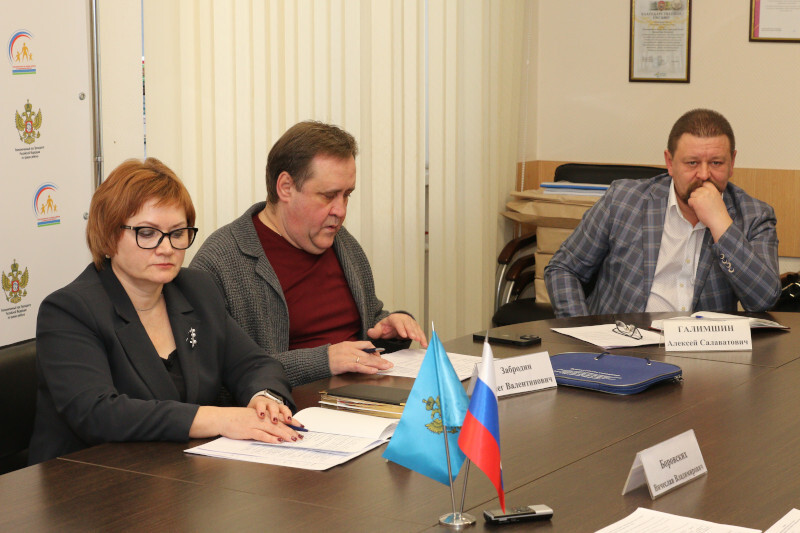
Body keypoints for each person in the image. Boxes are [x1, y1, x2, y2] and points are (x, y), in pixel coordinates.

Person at [29, 158, 300, 465]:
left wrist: (264, 398)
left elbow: (254, 364)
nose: (167, 248)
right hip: (88, 479)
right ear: (108, 237)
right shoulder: (69, 311)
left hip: (177, 470)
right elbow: (98, 414)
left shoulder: (197, 289)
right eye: (147, 233)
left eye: (177, 232)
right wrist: (219, 419)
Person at [191, 121, 427, 387]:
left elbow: (368, 324)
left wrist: (388, 329)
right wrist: (323, 361)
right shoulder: (221, 261)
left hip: (365, 395)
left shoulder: (342, 242)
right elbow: (217, 376)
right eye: (328, 196)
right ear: (286, 187)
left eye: (347, 195)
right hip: (292, 406)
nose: (341, 210)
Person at [544, 108, 781, 318]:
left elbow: (763, 300)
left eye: (716, 163)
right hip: (620, 343)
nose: (704, 175)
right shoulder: (623, 200)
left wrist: (721, 225)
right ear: (669, 162)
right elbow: (563, 268)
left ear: (732, 162)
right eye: (692, 163)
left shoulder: (754, 216)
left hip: (703, 349)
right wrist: (581, 330)